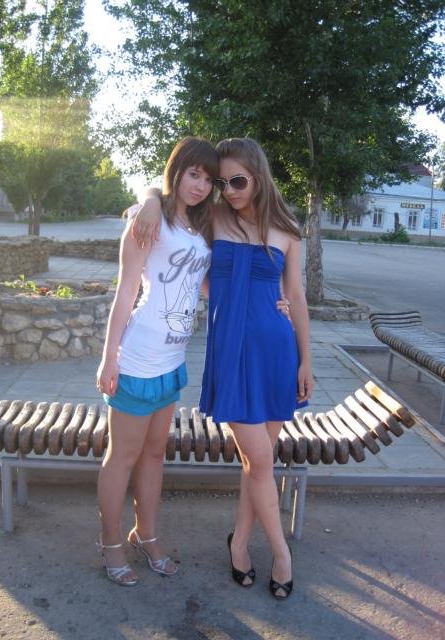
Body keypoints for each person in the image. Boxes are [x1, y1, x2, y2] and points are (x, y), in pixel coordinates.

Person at [133, 137, 314, 600]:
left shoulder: (287, 228)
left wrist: (307, 361)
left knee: (256, 463)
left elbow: (296, 297)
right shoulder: (213, 217)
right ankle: (282, 555)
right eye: (221, 183)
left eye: (237, 181)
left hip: (276, 352)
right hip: (231, 353)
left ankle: (238, 544)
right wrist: (150, 199)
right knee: (261, 461)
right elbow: (167, 200)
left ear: (258, 177)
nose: (228, 190)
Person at [95, 136, 218, 586]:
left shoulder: (200, 228)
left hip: (172, 360)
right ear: (177, 171)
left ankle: (146, 534)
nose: (200, 185)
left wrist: (271, 299)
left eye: (208, 179)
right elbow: (126, 291)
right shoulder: (149, 220)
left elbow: (202, 285)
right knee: (122, 457)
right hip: (138, 359)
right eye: (193, 174)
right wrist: (109, 358)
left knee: (153, 455)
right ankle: (110, 542)